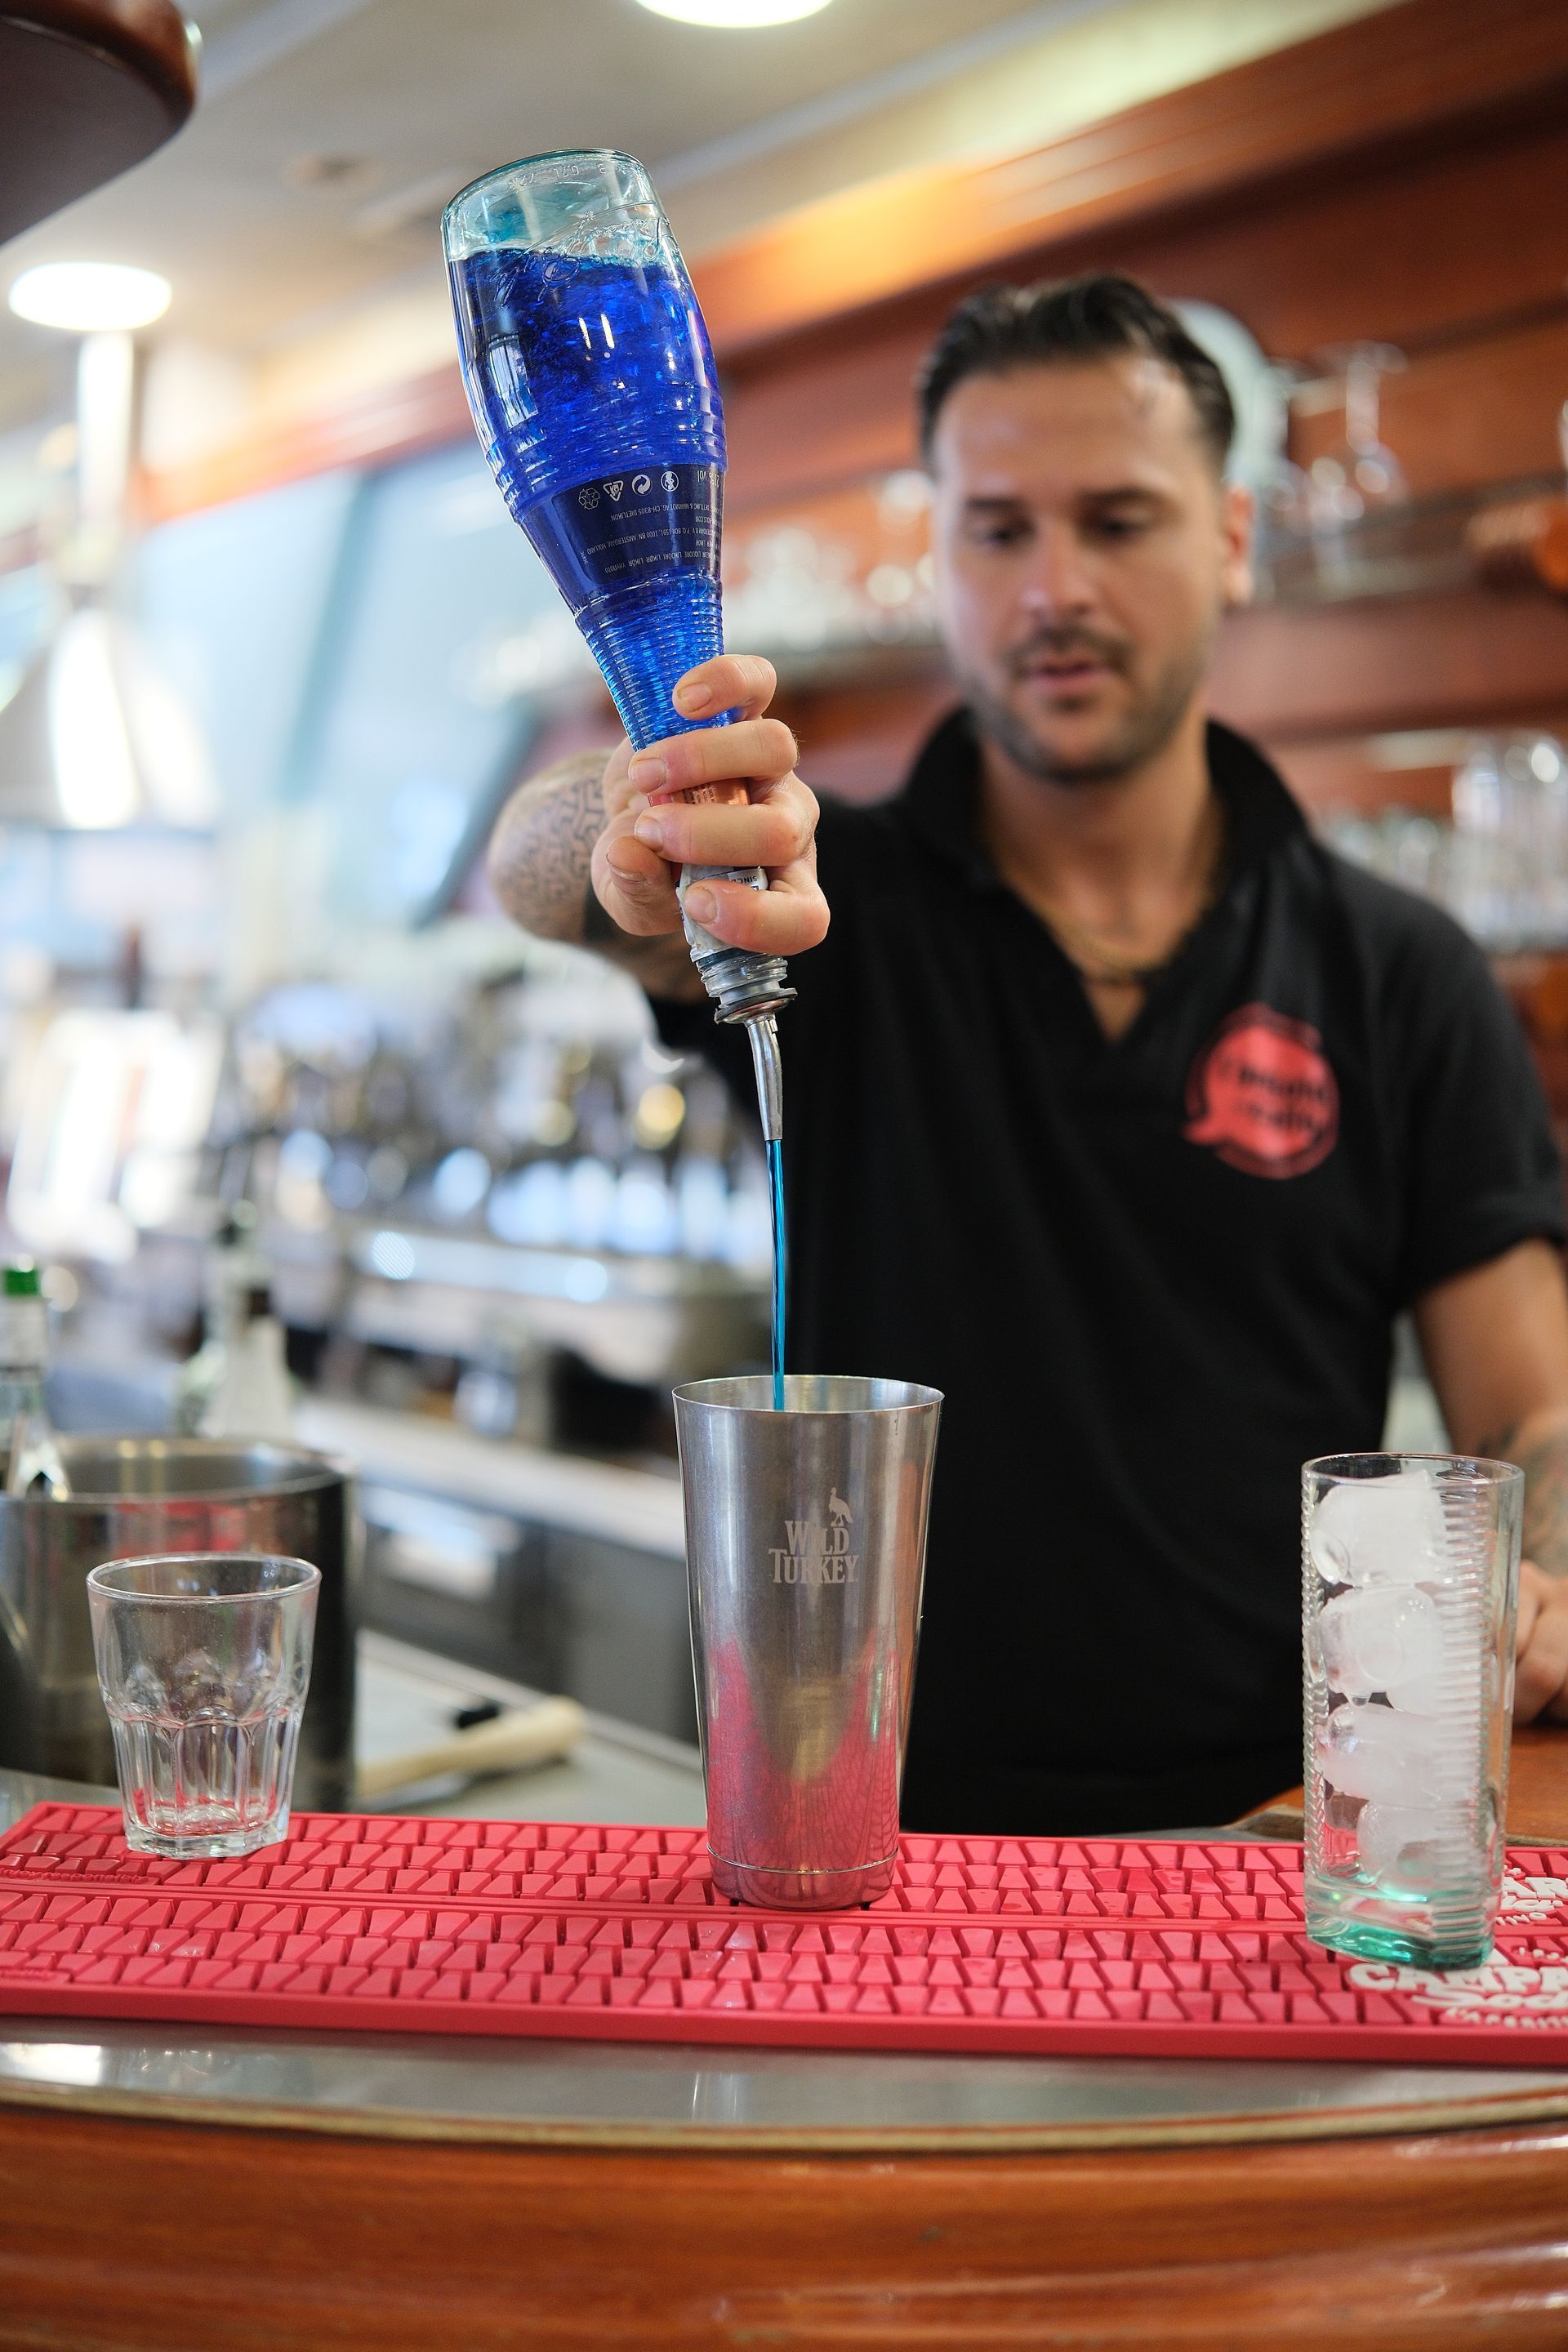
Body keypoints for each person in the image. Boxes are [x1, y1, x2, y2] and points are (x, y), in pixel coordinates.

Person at [488, 272, 1568, 1833]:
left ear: (1234, 542)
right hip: (873, 1844)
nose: (1055, 586)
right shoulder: (810, 903)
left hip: (1279, 1833)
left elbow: (1530, 1411)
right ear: (942, 558)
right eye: (1000, 529)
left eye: (1119, 521)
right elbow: (544, 882)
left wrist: (1545, 1581)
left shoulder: (1401, 972)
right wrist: (621, 828)